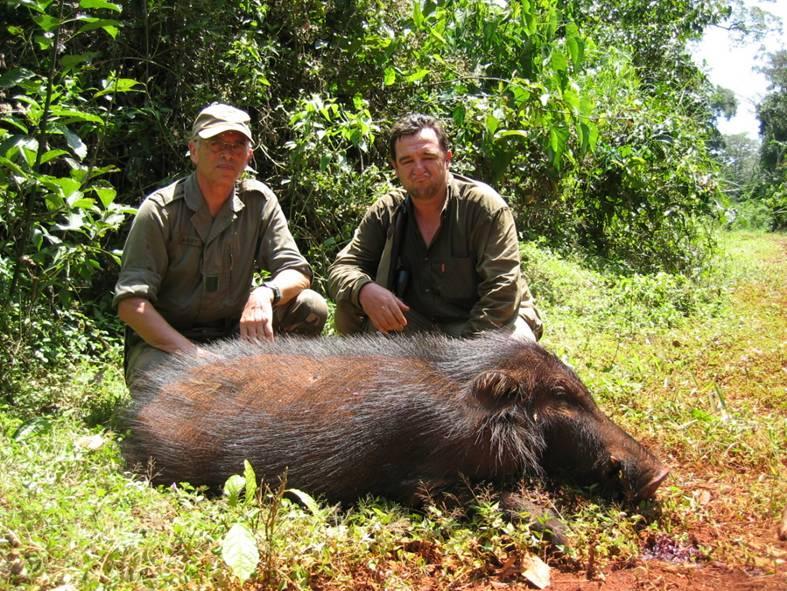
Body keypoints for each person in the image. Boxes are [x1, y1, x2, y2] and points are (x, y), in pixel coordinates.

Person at [114, 103, 327, 389]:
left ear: (248, 155)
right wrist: (195, 357)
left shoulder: (259, 202)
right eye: (216, 143)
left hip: (234, 334)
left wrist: (265, 294)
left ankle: (268, 382)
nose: (227, 153)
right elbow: (131, 305)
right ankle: (235, 385)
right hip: (168, 344)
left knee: (310, 306)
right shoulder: (160, 211)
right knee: (172, 398)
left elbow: (297, 271)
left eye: (237, 145)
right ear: (193, 150)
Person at [328, 113, 542, 340]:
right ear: (395, 167)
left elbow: (502, 294)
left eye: (428, 157)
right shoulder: (387, 210)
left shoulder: (484, 208)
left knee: (516, 342)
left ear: (447, 159)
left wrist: (465, 359)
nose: (418, 168)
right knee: (349, 308)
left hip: (481, 324)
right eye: (407, 161)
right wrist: (364, 290)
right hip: (419, 324)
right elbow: (342, 268)